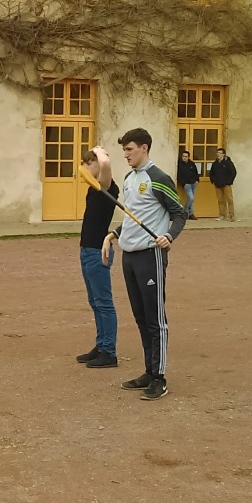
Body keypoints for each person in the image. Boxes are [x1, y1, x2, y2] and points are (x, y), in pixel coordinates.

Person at [101, 128, 187, 401]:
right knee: (140, 316)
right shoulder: (130, 179)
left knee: (155, 319)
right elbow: (132, 216)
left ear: (144, 148)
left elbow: (179, 213)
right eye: (124, 150)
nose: (126, 155)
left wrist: (169, 236)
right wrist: (114, 234)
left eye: (129, 149)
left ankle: (159, 377)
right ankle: (149, 371)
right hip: (129, 256)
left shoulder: (159, 179)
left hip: (151, 255)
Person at [74, 147, 120, 369]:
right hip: (87, 250)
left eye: (88, 163)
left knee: (104, 303)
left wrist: (99, 152)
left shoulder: (107, 187)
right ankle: (101, 345)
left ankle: (109, 352)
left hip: (97, 252)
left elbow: (106, 165)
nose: (84, 168)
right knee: (94, 301)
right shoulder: (93, 188)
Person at [209, 147, 237, 221]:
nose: (218, 154)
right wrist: (213, 180)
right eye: (217, 153)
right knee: (220, 200)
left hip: (226, 184)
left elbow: (233, 172)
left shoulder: (228, 163)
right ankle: (222, 215)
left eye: (220, 153)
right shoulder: (215, 163)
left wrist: (229, 181)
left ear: (223, 154)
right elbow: (211, 173)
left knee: (229, 199)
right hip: (217, 184)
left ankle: (232, 215)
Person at [176, 149, 200, 220]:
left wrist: (197, 180)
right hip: (187, 184)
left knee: (191, 199)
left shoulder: (192, 164)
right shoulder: (180, 164)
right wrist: (183, 184)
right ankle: (185, 211)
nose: (184, 157)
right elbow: (179, 175)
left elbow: (196, 172)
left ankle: (191, 214)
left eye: (186, 156)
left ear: (188, 157)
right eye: (183, 156)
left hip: (193, 183)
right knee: (191, 198)